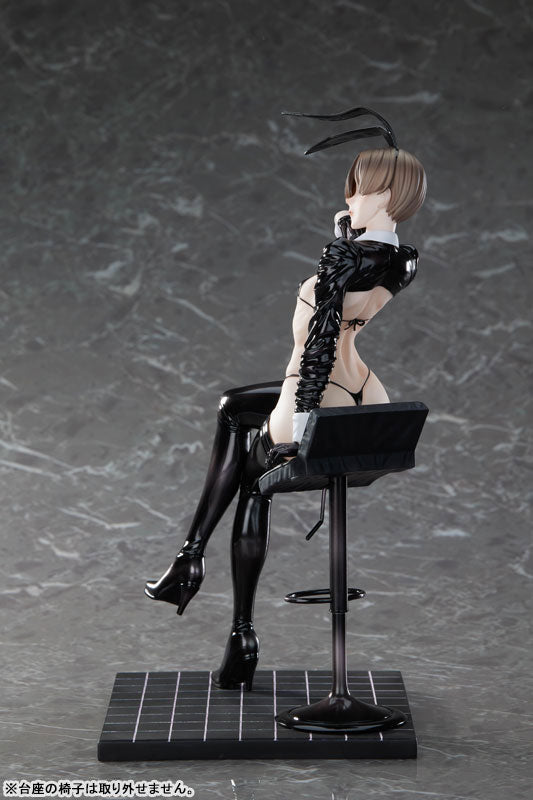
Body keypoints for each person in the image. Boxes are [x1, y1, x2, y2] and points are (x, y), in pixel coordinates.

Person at [144, 131, 427, 692]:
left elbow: (317, 343)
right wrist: (352, 234)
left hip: (315, 394)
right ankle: (190, 560)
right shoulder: (402, 261)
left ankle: (230, 615)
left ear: (388, 194)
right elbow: (360, 286)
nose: (349, 198)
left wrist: (300, 426)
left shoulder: (340, 261)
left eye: (359, 189)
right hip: (366, 393)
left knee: (252, 486)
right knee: (234, 406)